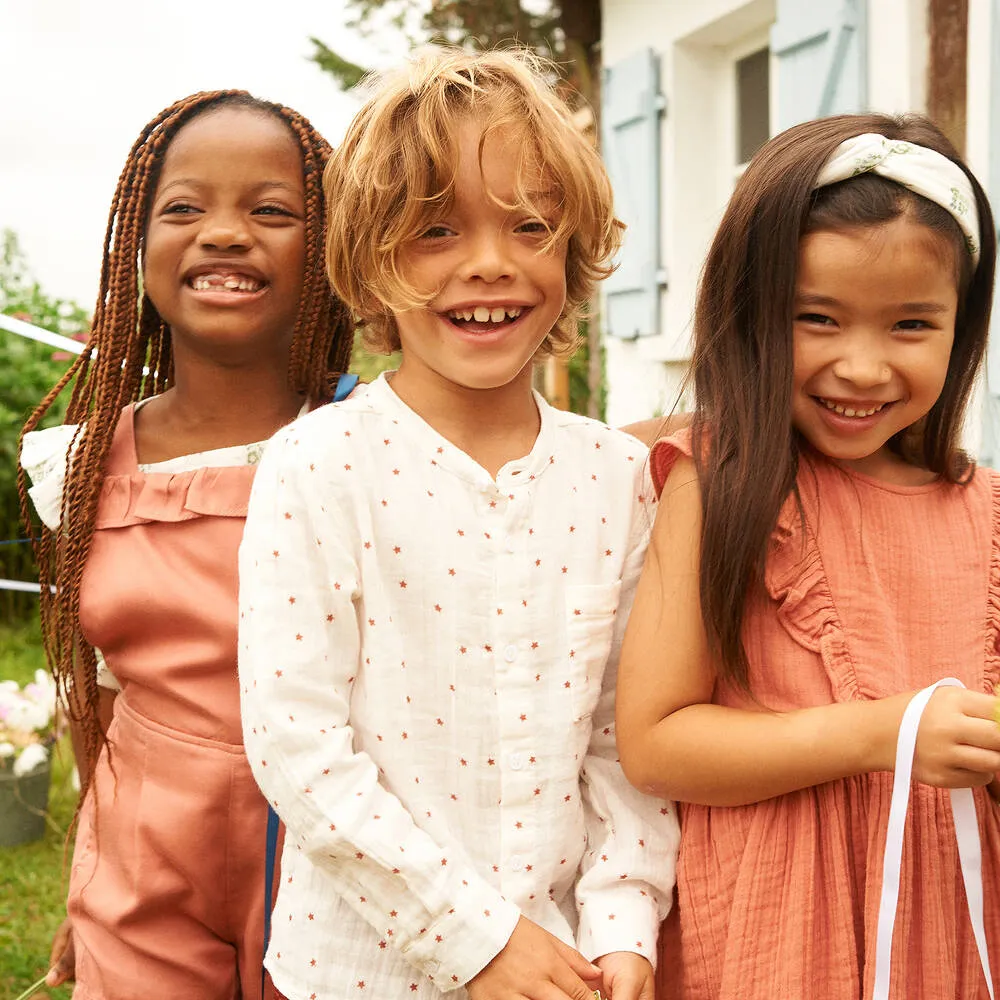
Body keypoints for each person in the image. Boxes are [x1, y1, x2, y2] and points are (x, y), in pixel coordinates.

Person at [237, 47, 679, 1000]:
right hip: (361, 973)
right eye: (436, 231)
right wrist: (473, 937)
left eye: (530, 225)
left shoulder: (619, 478)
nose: (490, 264)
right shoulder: (316, 466)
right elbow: (297, 742)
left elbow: (618, 735)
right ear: (369, 256)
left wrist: (624, 921)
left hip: (573, 968)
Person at [615, 113, 1000, 999]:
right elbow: (656, 741)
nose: (862, 368)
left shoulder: (983, 512)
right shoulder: (722, 486)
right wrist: (881, 734)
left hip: (951, 924)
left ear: (962, 327)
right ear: (752, 314)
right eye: (817, 319)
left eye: (911, 325)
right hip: (779, 931)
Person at [17, 90, 354, 999]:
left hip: (339, 861)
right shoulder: (83, 465)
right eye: (184, 208)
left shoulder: (369, 448)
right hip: (147, 870)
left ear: (329, 250)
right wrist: (92, 874)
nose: (224, 233)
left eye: (272, 211)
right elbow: (97, 690)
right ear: (139, 240)